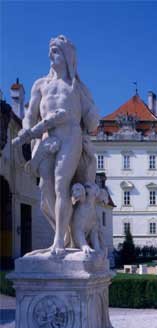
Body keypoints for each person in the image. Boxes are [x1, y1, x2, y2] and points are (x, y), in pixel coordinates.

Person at [12, 35, 99, 256]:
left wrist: (91, 114)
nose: (51, 55)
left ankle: (60, 241)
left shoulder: (77, 87)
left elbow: (92, 120)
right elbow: (30, 115)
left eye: (56, 51)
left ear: (68, 56)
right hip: (47, 139)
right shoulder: (40, 85)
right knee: (45, 189)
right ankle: (63, 233)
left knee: (61, 184)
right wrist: (25, 128)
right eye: (50, 51)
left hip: (71, 136)